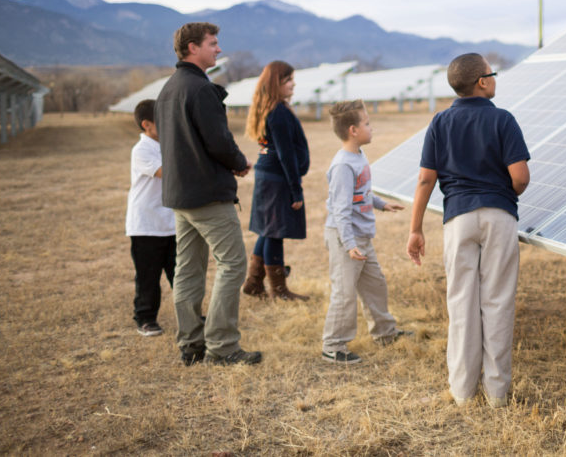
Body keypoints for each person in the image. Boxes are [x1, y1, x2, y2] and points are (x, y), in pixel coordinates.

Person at [406, 53, 530, 408]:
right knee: (498, 302)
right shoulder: (503, 120)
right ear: (482, 82)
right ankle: (497, 394)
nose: (494, 78)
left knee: (461, 303)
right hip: (499, 216)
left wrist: (415, 229)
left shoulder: (440, 122)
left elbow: (425, 179)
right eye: (492, 73)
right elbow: (520, 177)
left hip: (458, 219)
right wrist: (506, 193)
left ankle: (462, 392)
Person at [155, 21, 262, 366]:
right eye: (213, 43)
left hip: (180, 195)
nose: (218, 49)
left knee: (187, 269)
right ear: (192, 48)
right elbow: (218, 141)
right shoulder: (200, 89)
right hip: (206, 194)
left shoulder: (168, 89)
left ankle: (191, 344)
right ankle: (223, 346)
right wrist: (239, 162)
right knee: (233, 264)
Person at [321, 100, 410, 364]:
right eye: (367, 123)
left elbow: (360, 194)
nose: (371, 127)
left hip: (361, 238)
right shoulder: (342, 166)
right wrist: (349, 245)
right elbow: (340, 209)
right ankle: (333, 345)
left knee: (375, 285)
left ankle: (385, 332)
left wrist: (381, 204)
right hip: (345, 239)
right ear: (353, 130)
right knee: (345, 292)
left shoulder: (358, 156)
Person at [242, 60, 310, 301]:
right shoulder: (278, 112)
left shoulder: (272, 107)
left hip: (269, 177)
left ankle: (253, 283)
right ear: (276, 84)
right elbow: (286, 154)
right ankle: (279, 291)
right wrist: (296, 190)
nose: (293, 84)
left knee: (268, 230)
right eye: (288, 80)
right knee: (274, 232)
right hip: (277, 179)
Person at [125, 98, 175, 337]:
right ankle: (145, 318)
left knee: (180, 273)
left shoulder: (167, 143)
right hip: (146, 224)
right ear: (147, 124)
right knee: (148, 275)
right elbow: (166, 173)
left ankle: (190, 314)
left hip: (171, 221)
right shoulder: (142, 150)